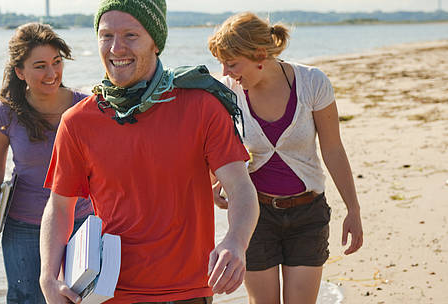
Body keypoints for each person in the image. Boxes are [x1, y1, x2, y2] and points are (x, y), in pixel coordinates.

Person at [38, 1, 260, 303]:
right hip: (107, 293)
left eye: (131, 35)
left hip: (188, 291)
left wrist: (236, 241)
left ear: (156, 41)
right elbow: (60, 206)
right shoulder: (77, 121)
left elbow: (240, 187)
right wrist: (49, 277)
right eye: (106, 36)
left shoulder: (202, 106)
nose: (116, 48)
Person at [207, 12, 364, 304]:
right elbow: (221, 147)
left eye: (232, 63)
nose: (226, 72)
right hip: (255, 216)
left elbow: (333, 149)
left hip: (308, 215)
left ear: (260, 55)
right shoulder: (229, 90)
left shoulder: (312, 83)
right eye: (222, 64)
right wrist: (216, 182)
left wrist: (352, 209)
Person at [0, 22, 94, 303]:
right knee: (25, 297)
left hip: (81, 220)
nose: (52, 73)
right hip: (24, 224)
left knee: (84, 298)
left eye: (56, 62)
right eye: (40, 65)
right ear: (20, 72)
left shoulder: (86, 108)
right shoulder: (6, 114)